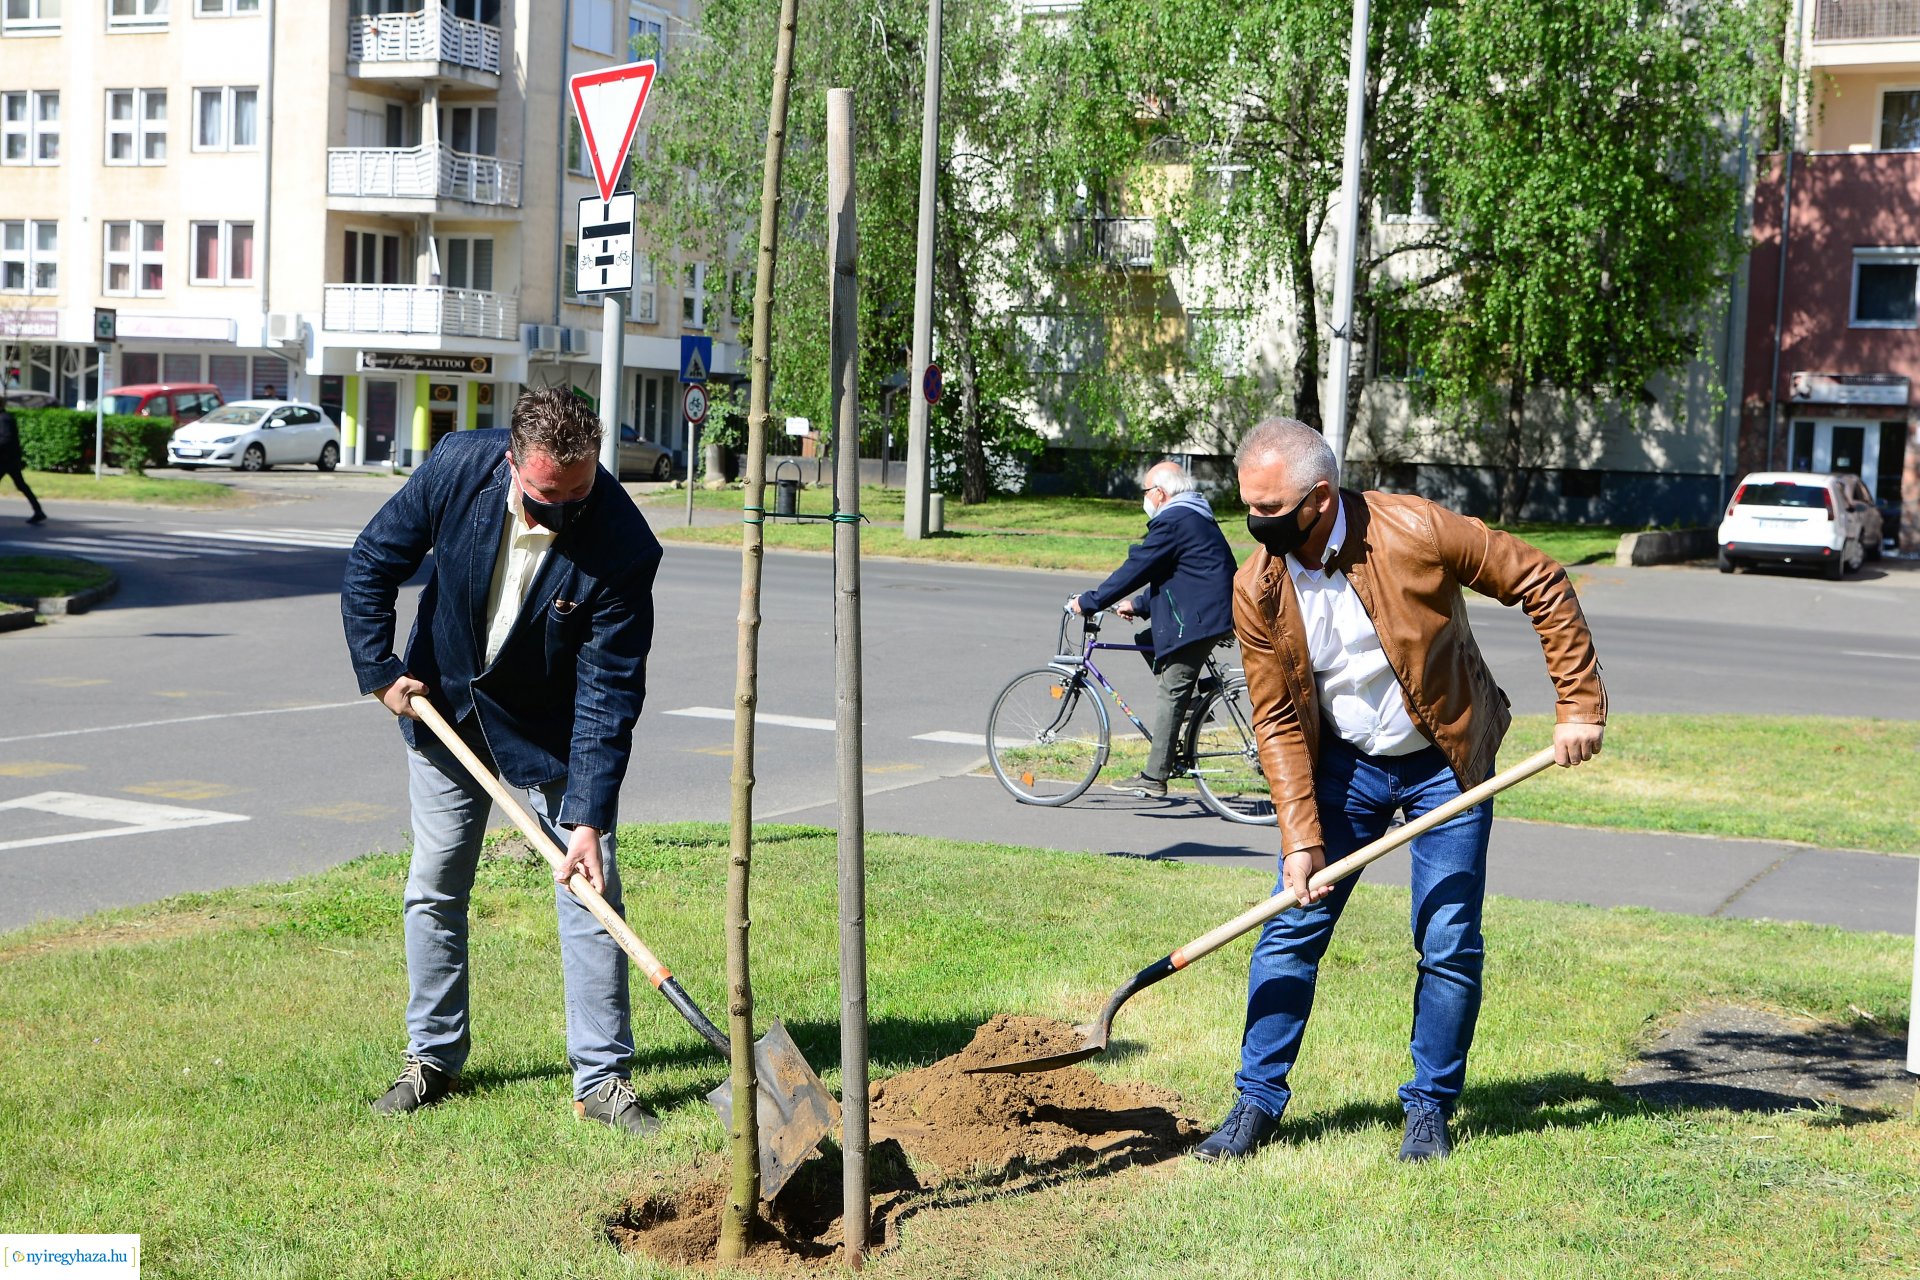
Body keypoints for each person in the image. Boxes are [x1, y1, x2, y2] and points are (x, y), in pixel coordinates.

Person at [1193, 418, 1605, 1164]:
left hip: (1443, 761)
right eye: (1246, 508)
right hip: (1342, 769)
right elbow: (1278, 718)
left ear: (1319, 499)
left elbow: (1540, 578)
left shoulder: (1415, 528)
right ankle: (1255, 1102)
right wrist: (1301, 837)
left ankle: (1429, 1109)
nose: (1256, 525)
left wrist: (1578, 702)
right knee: (1290, 929)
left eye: (1271, 511)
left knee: (1447, 940)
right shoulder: (1257, 586)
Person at [341, 388, 663, 1133]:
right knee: (436, 884)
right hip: (444, 707)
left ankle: (603, 1082)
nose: (564, 513)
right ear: (512, 461)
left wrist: (585, 818)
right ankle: (433, 1058)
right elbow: (371, 562)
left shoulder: (620, 543)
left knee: (591, 890)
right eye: (547, 498)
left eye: (578, 494)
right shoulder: (459, 466)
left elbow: (608, 692)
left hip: (549, 734)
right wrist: (381, 671)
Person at [1070, 459, 1237, 797]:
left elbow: (1140, 566)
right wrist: (1141, 604)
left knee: (1170, 691)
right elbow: (1178, 571)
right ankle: (1190, 703)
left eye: (1145, 492)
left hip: (1199, 618)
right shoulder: (1193, 513)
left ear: (1159, 493)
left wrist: (1090, 602)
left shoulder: (1174, 519)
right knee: (1148, 639)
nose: (1143, 499)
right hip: (1207, 610)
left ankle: (1154, 777)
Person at [0, 390, 48, 525]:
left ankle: (38, 511)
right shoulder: (5, 417)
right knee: (21, 485)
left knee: (21, 485)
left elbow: (6, 439)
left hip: (5, 460)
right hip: (9, 459)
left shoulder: (4, 419)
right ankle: (38, 511)